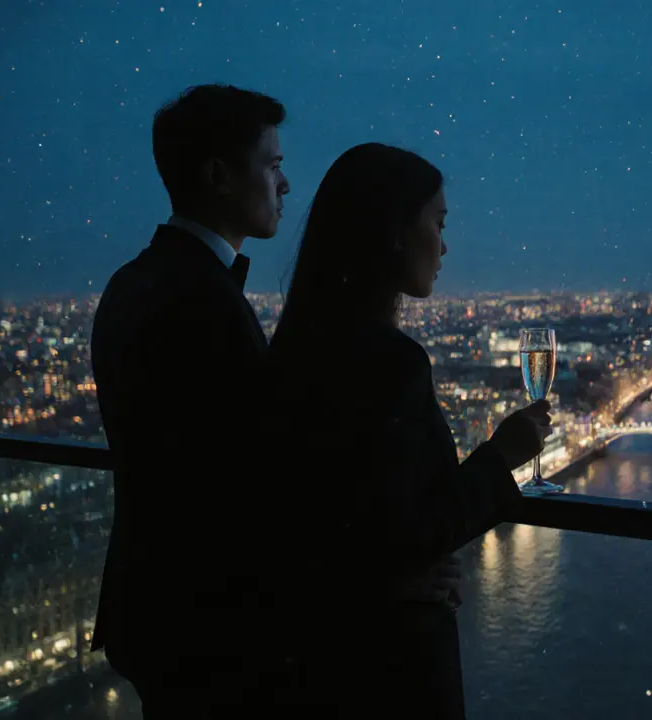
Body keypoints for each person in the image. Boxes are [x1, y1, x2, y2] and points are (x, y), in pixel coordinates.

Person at [263, 143, 553, 717]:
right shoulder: (389, 362)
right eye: (438, 224)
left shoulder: (296, 348)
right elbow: (413, 527)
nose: (444, 246)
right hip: (392, 666)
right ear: (395, 230)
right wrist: (502, 455)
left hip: (319, 665)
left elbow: (315, 518)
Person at [88, 84, 290, 716]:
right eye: (272, 165)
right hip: (213, 626)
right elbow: (248, 480)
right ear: (219, 177)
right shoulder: (204, 302)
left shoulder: (132, 282)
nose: (284, 185)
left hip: (155, 608)